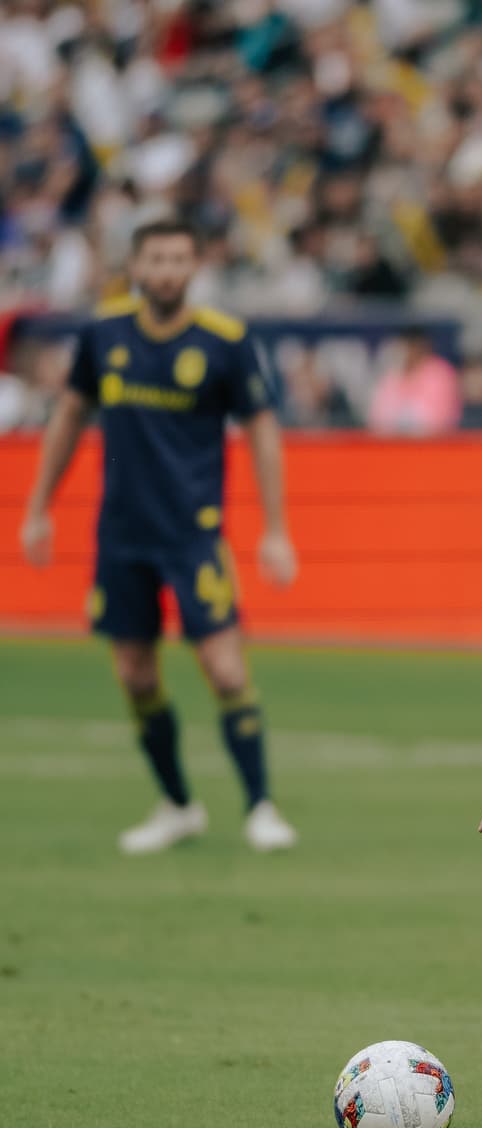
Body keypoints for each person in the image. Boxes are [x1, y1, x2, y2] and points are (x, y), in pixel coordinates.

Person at [19, 218, 299, 855]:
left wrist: (276, 529)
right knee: (136, 676)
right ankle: (177, 805)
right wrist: (38, 507)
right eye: (157, 259)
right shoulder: (103, 333)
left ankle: (261, 806)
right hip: (120, 536)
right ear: (137, 267)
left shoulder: (225, 341)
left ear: (194, 265)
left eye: (179, 258)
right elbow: (68, 416)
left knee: (226, 671)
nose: (168, 270)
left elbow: (261, 429)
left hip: (194, 536)